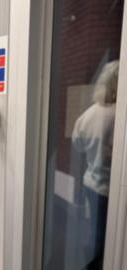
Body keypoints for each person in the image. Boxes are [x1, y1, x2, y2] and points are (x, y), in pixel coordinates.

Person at [71, 60, 118, 269]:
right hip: (109, 189)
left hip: (90, 182)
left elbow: (78, 145)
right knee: (105, 236)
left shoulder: (88, 114)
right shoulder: (118, 116)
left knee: (94, 230)